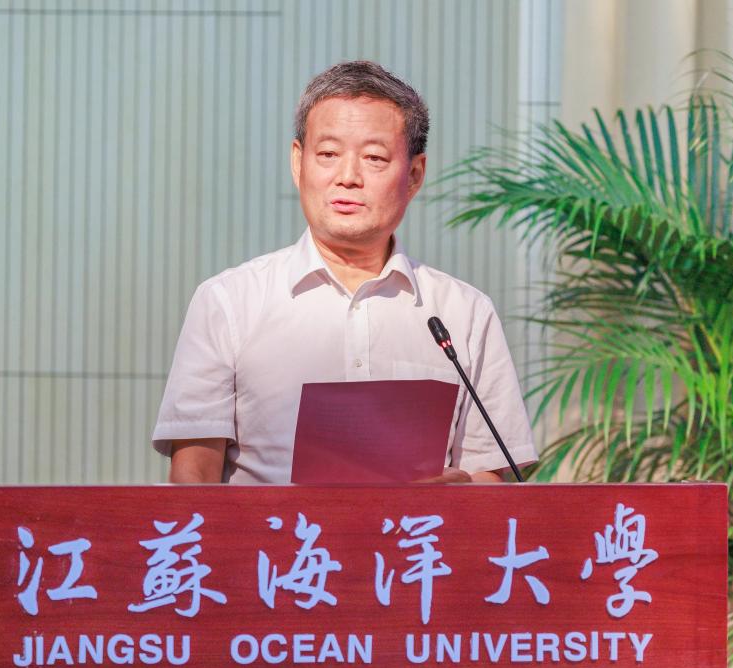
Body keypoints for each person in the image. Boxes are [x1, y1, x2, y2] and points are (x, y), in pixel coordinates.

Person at [152, 60, 536, 484]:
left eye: (374, 158)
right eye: (328, 154)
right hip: (275, 532)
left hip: (418, 531)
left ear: (414, 175)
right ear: (298, 162)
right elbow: (193, 479)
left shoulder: (464, 312)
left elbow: (493, 474)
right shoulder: (228, 301)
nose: (348, 177)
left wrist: (462, 492)